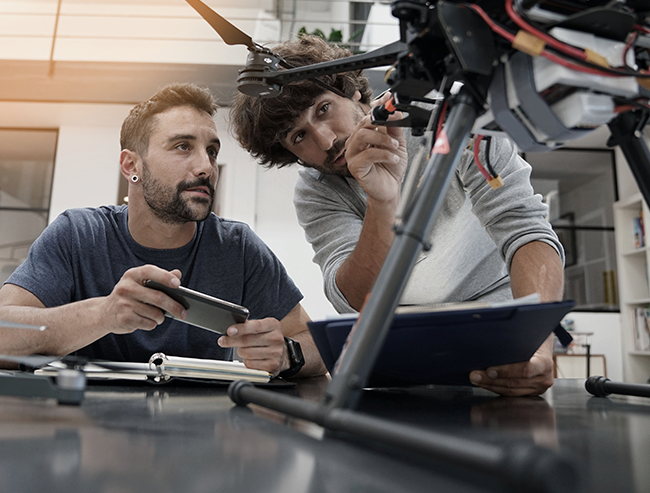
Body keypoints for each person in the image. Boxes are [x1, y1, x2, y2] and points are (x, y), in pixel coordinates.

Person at [230, 36, 564, 396]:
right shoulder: (317, 191)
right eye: (299, 137)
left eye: (324, 110)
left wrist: (537, 343)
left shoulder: (453, 119)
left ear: (354, 92)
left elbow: (526, 229)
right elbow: (353, 298)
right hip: (401, 339)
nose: (325, 141)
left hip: (498, 326)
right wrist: (382, 200)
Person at [0, 83, 325, 379]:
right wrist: (103, 314)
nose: (206, 166)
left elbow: (316, 348)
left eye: (212, 151)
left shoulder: (238, 247)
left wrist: (287, 354)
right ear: (131, 165)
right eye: (183, 146)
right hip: (88, 433)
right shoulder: (78, 234)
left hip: (198, 438)